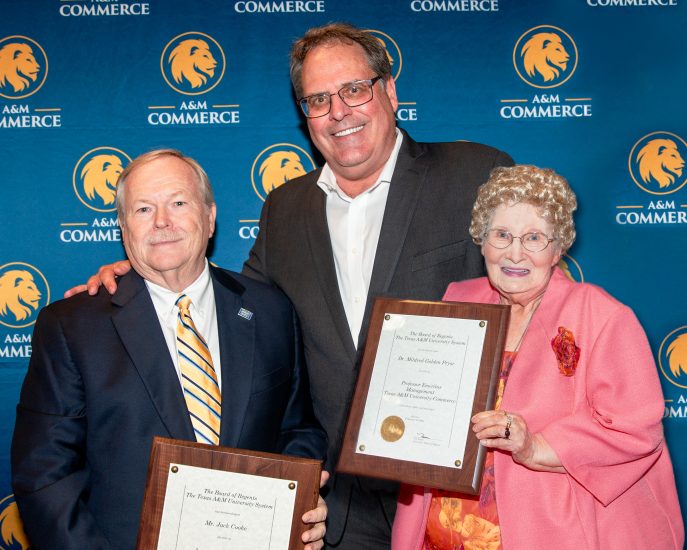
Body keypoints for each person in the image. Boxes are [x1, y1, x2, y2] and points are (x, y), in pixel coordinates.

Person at [66, 24, 513, 548]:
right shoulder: (286, 207)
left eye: (354, 89)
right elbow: (227, 303)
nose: (338, 112)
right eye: (318, 99)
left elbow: (533, 297)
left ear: (389, 92)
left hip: (455, 500)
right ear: (305, 115)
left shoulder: (476, 173)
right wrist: (145, 278)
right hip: (333, 512)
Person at [12, 149, 329, 550]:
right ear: (124, 228)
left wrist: (299, 505)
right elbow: (45, 478)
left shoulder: (270, 310)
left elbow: (297, 430)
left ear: (210, 218)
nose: (162, 221)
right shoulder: (71, 328)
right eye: (143, 209)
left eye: (179, 203)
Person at [392, 165, 684, 550]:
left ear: (558, 246)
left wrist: (535, 446)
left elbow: (634, 431)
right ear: (482, 241)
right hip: (443, 533)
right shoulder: (457, 300)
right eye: (501, 235)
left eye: (534, 238)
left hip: (550, 530)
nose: (515, 252)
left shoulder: (603, 317)